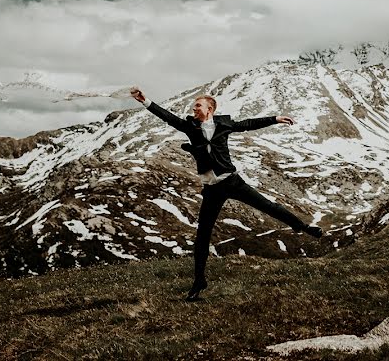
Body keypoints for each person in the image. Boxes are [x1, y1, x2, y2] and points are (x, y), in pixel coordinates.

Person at [130, 87, 322, 301]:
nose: (194, 109)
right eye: (194, 106)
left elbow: (248, 124)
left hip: (232, 182)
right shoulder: (190, 127)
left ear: (209, 109)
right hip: (211, 190)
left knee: (268, 206)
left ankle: (302, 226)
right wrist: (144, 100)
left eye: (198, 106)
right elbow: (167, 117)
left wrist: (275, 118)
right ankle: (198, 282)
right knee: (203, 236)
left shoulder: (224, 124)